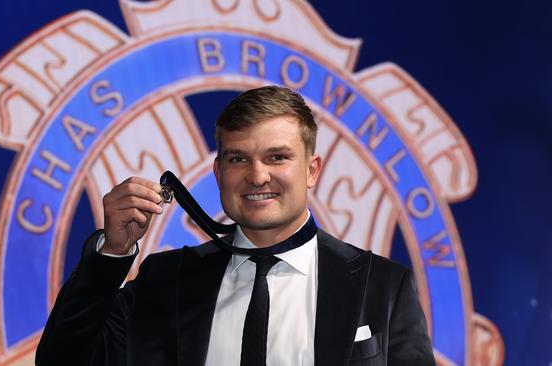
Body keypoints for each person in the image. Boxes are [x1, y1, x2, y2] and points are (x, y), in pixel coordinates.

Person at [36, 86, 436, 365]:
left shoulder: (383, 286)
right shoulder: (165, 281)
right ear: (218, 171)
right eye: (238, 159)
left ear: (312, 170)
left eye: (277, 157)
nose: (257, 176)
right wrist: (112, 255)